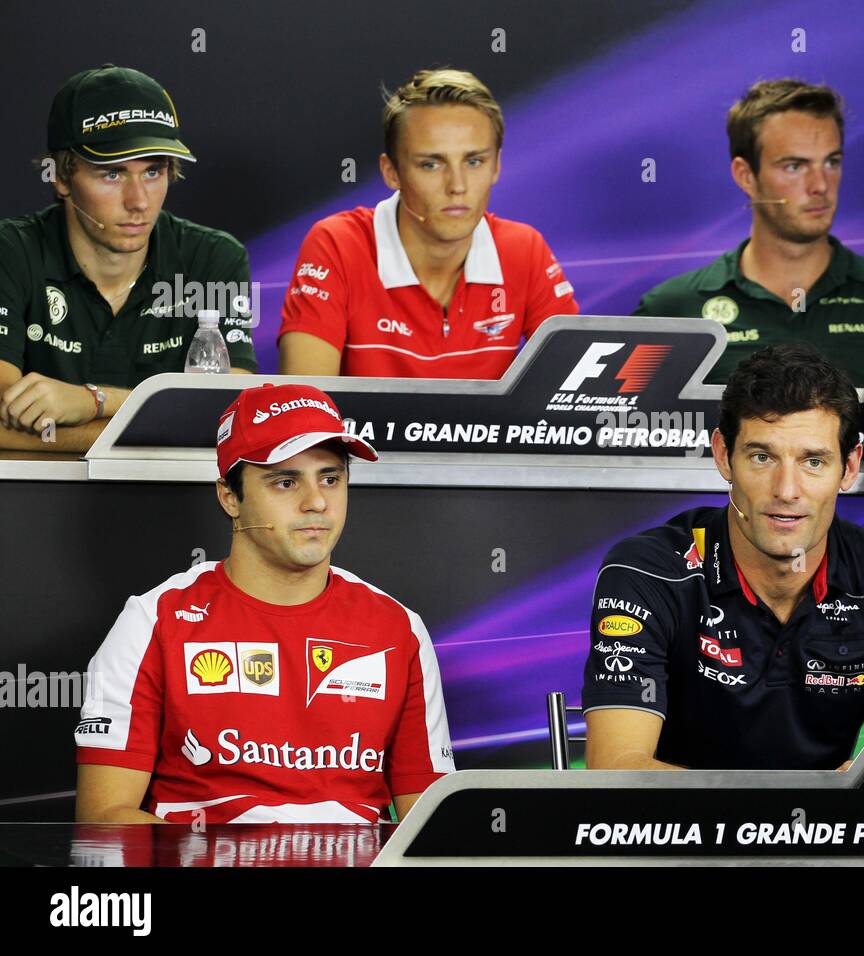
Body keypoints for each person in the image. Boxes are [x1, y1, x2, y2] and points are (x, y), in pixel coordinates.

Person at [75, 383, 455, 822]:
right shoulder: (154, 621)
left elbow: (429, 826)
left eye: (330, 478)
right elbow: (104, 819)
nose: (316, 502)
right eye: (286, 481)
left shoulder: (398, 629)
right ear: (229, 497)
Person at [581, 344, 864, 770]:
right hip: (680, 834)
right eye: (762, 457)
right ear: (723, 455)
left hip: (828, 833)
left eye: (813, 461)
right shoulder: (649, 570)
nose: (786, 490)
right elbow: (618, 771)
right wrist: (819, 800)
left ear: (850, 467)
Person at [634, 78, 864, 390]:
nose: (820, 185)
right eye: (794, 166)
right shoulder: (672, 308)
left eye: (832, 162)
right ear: (745, 175)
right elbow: (618, 431)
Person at [0, 64, 256, 453]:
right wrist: (165, 422)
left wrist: (92, 400)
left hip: (181, 504)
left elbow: (233, 414)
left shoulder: (214, 259)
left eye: (153, 172)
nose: (139, 202)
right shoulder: (11, 252)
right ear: (61, 178)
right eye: (111, 174)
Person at [278, 68, 579, 379]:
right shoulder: (338, 243)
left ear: (496, 166)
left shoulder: (523, 249)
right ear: (391, 172)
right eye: (431, 164)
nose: (457, 185)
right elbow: (305, 406)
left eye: (474, 161)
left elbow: (576, 396)